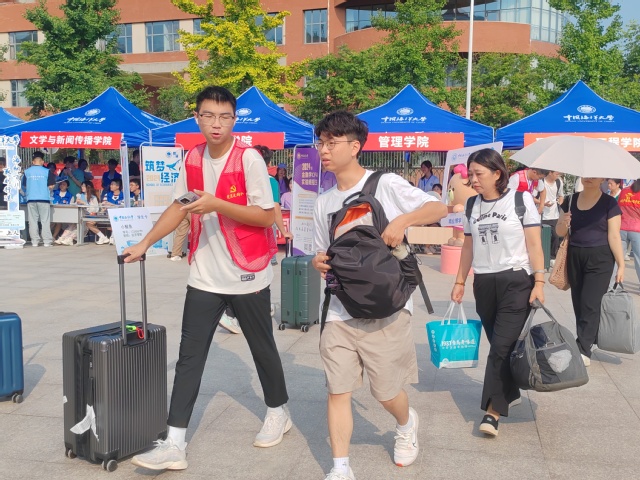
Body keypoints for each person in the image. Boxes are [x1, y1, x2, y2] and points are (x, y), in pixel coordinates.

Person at [123, 86, 291, 471]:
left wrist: (217, 204)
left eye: (224, 117)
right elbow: (179, 206)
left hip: (247, 272)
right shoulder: (192, 158)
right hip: (205, 275)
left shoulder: (248, 158)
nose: (216, 124)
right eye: (208, 116)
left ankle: (278, 411)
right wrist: (145, 243)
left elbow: (265, 215)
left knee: (261, 348)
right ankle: (174, 442)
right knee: (189, 356)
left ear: (234, 120)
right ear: (197, 118)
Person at [312, 111, 447, 480]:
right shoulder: (324, 202)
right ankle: (340, 468)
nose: (324, 150)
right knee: (338, 390)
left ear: (355, 147)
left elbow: (439, 207)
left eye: (332, 142)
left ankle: (405, 423)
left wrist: (402, 221)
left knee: (385, 392)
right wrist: (317, 262)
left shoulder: (384, 183)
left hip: (388, 306)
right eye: (320, 142)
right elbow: (321, 251)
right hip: (340, 309)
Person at [451, 148, 545, 438]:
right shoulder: (471, 206)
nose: (473, 179)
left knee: (500, 349)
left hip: (516, 281)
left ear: (497, 173)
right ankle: (508, 391)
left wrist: (539, 282)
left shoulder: (520, 201)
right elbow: (468, 246)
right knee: (500, 345)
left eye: (479, 174)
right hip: (484, 283)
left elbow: (534, 244)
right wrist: (459, 281)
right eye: (470, 174)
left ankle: (492, 412)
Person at [556, 177, 624, 366]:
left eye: (594, 175)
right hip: (575, 255)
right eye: (586, 175)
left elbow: (614, 236)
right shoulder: (570, 200)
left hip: (601, 258)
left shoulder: (609, 203)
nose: (589, 178)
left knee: (590, 302)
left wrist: (621, 264)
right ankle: (588, 338)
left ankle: (583, 348)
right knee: (578, 302)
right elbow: (559, 232)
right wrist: (564, 222)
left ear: (602, 178)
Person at [255, 144, 293, 266]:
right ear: (269, 163)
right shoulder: (270, 181)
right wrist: (284, 232)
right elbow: (275, 207)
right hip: (265, 224)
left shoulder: (242, 178)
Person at [22, 151, 56, 247]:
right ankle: (46, 241)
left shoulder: (27, 172)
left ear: (33, 162)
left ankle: (34, 241)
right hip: (44, 199)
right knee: (45, 221)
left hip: (31, 199)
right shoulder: (47, 171)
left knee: (32, 221)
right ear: (42, 162)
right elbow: (51, 186)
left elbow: (24, 185)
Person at [58, 181, 105, 245]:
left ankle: (70, 238)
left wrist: (84, 203)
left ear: (88, 187)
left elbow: (95, 209)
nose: (82, 187)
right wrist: (76, 203)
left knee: (82, 225)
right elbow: (75, 205)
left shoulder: (93, 197)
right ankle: (63, 237)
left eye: (84, 186)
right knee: (72, 225)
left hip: (89, 217)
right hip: (79, 216)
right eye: (82, 186)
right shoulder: (80, 196)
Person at [618, 180, 640, 284]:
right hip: (637, 230)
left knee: (618, 258)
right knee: (638, 260)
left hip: (621, 228)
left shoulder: (624, 191)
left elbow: (618, 208)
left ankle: (614, 284)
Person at [541, 171, 564, 262]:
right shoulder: (541, 182)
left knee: (555, 236)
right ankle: (542, 257)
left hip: (554, 214)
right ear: (550, 173)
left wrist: (560, 203)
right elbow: (533, 197)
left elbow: (561, 195)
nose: (558, 176)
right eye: (556, 174)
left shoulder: (559, 182)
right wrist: (542, 203)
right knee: (541, 237)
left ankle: (552, 257)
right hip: (541, 214)